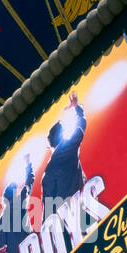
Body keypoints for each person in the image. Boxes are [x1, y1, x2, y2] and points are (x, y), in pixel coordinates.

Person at [40, 90, 86, 218]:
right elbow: (81, 125)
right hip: (84, 208)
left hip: (67, 222)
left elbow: (47, 212)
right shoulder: (70, 146)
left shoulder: (48, 173)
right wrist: (77, 108)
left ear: (50, 146)